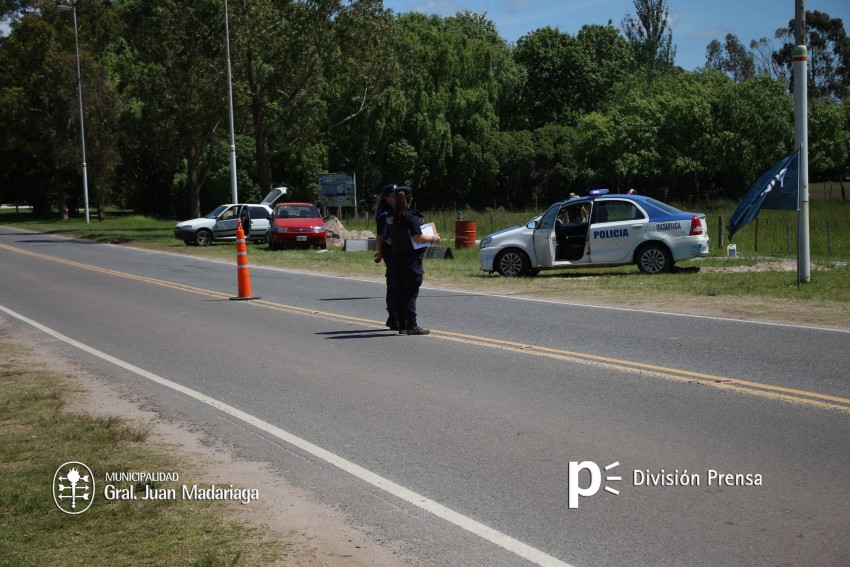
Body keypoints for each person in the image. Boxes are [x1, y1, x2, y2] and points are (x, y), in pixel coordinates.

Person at [388, 186, 441, 335]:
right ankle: (412, 325)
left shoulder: (393, 216)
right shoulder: (410, 216)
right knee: (411, 293)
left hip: (397, 258)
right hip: (411, 260)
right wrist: (433, 238)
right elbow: (417, 237)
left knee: (401, 292)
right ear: (410, 199)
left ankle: (403, 325)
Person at [374, 185, 398, 330]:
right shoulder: (384, 214)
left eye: (396, 195)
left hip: (400, 249)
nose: (395, 198)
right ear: (386, 197)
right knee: (394, 282)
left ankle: (395, 316)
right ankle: (393, 316)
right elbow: (380, 237)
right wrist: (380, 252)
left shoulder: (399, 210)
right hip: (390, 249)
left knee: (399, 282)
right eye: (392, 196)